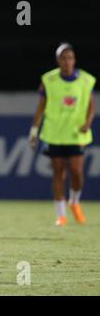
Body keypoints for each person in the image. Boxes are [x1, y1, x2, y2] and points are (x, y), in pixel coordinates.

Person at [29, 43, 96, 226]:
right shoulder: (49, 80)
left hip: (76, 133)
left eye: (70, 58)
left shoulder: (85, 80)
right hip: (54, 133)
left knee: (76, 172)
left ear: (74, 60)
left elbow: (91, 104)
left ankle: (74, 201)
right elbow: (41, 106)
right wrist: (34, 131)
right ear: (58, 61)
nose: (67, 61)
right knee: (58, 173)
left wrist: (88, 122)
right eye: (64, 58)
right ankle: (61, 215)